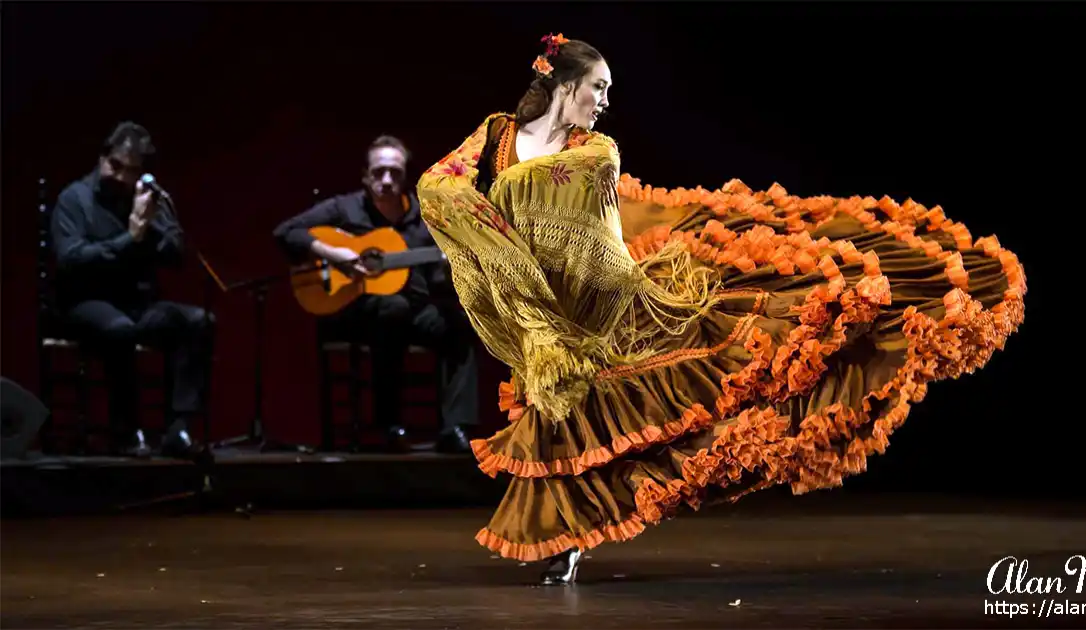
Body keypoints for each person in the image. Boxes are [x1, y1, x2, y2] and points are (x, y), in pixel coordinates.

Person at [416, 34, 1027, 585]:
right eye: (598, 87)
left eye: (608, 91)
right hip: (537, 312)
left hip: (605, 302)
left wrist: (489, 209)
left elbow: (542, 205)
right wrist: (497, 242)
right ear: (566, 85)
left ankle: (569, 540)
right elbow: (439, 186)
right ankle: (565, 541)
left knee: (647, 397)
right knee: (561, 409)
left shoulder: (596, 151)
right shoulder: (495, 133)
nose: (604, 100)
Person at [273, 135, 478, 454]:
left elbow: (438, 278)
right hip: (355, 313)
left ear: (405, 176)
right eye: (379, 172)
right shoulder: (344, 208)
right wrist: (334, 253)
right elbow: (286, 232)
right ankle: (389, 426)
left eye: (394, 173)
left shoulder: (426, 217)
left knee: (459, 324)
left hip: (415, 309)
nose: (386, 180)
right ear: (366, 176)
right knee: (390, 309)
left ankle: (456, 427)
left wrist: (453, 265)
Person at [50, 122, 211, 458]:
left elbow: (176, 254)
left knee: (198, 321)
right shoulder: (74, 199)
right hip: (85, 301)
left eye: (132, 170)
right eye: (115, 166)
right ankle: (125, 432)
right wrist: (131, 237)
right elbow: (71, 259)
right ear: (102, 158)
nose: (121, 177)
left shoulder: (147, 198)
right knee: (120, 330)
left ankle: (178, 429)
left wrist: (150, 226)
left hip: (137, 303)